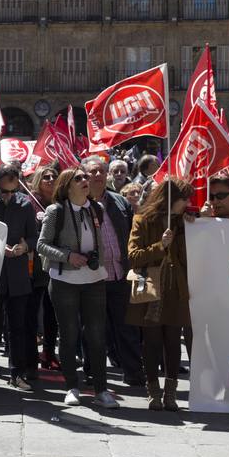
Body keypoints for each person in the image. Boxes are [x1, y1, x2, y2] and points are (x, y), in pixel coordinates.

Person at [36, 168, 118, 409]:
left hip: (95, 279)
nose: (85, 181)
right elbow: (42, 245)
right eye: (79, 178)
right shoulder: (56, 211)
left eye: (86, 177)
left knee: (97, 335)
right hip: (65, 281)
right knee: (69, 334)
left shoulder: (96, 208)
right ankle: (72, 387)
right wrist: (68, 256)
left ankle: (101, 390)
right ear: (67, 185)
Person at [127, 178, 194, 412]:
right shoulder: (142, 220)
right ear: (171, 199)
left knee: (174, 342)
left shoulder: (184, 222)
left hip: (176, 288)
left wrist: (197, 223)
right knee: (152, 342)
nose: (188, 203)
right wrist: (160, 245)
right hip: (151, 286)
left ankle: (170, 394)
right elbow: (134, 256)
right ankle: (153, 391)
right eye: (184, 198)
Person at [83, 156, 144, 387]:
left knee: (127, 328)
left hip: (120, 275)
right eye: (93, 172)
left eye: (101, 171)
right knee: (93, 330)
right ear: (84, 176)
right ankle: (93, 373)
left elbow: (132, 233)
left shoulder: (119, 202)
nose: (98, 175)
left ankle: (134, 372)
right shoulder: (79, 203)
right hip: (92, 278)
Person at [0, 164, 38, 391]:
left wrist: (25, 247)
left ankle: (17, 373)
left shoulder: (25, 204)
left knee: (18, 327)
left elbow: (34, 237)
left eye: (14, 190)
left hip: (18, 274)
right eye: (5, 191)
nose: (9, 196)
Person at [26, 164, 60, 371]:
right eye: (46, 177)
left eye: (54, 176)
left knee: (52, 314)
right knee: (31, 313)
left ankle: (49, 352)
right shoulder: (29, 202)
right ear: (38, 180)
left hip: (55, 266)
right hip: (34, 267)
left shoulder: (60, 202)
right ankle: (30, 355)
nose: (50, 179)